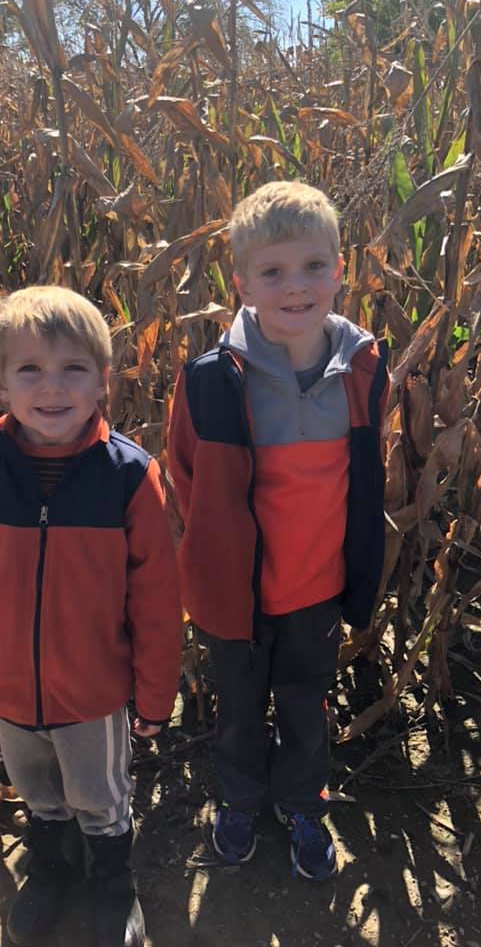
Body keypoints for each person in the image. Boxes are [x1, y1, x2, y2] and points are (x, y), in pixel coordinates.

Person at [0, 285, 182, 947]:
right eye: (30, 369)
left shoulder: (128, 476)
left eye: (74, 368)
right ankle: (50, 867)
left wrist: (154, 697)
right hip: (10, 690)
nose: (52, 387)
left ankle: (113, 883)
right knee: (38, 792)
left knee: (100, 798)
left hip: (93, 694)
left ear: (103, 380)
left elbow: (158, 603)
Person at [168, 181, 389, 881]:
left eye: (313, 266)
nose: (296, 286)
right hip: (233, 595)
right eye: (273, 272)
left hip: (316, 590)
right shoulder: (212, 380)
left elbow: (366, 477)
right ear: (242, 284)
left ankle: (302, 804)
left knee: (304, 706)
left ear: (340, 269)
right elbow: (187, 478)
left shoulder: (362, 371)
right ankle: (239, 800)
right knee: (238, 710)